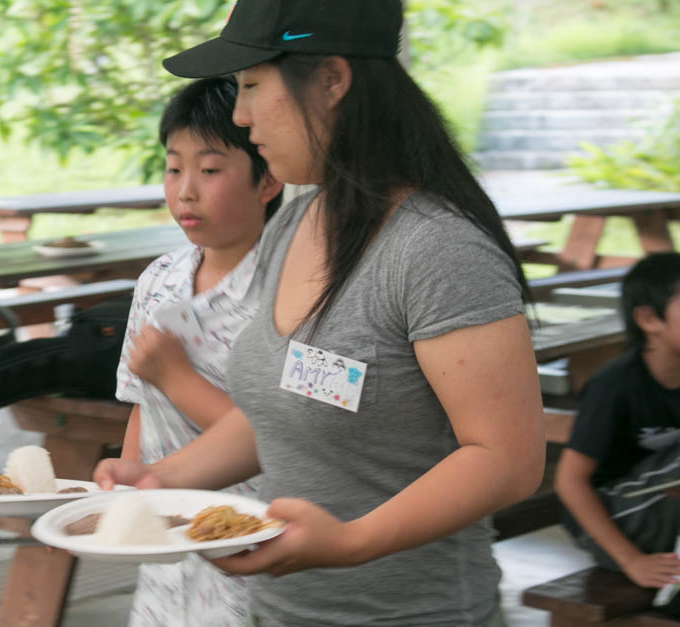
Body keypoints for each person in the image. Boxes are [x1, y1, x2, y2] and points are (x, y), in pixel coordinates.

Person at [96, 1, 545, 625]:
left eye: (252, 85)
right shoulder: (297, 227)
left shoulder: (438, 249)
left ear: (332, 80)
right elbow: (282, 416)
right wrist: (157, 481)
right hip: (284, 610)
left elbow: (508, 458)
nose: (240, 114)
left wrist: (352, 541)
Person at [115, 76, 282, 627]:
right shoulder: (159, 281)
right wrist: (125, 493)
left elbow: (284, 434)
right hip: (164, 543)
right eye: (173, 167)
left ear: (268, 180)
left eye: (210, 170)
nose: (186, 189)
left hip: (251, 542)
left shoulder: (287, 293)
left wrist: (176, 376)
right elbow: (143, 405)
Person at [555, 252, 680, 592]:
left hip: (662, 503)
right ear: (649, 319)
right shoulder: (616, 386)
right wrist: (631, 561)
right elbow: (569, 482)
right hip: (613, 518)